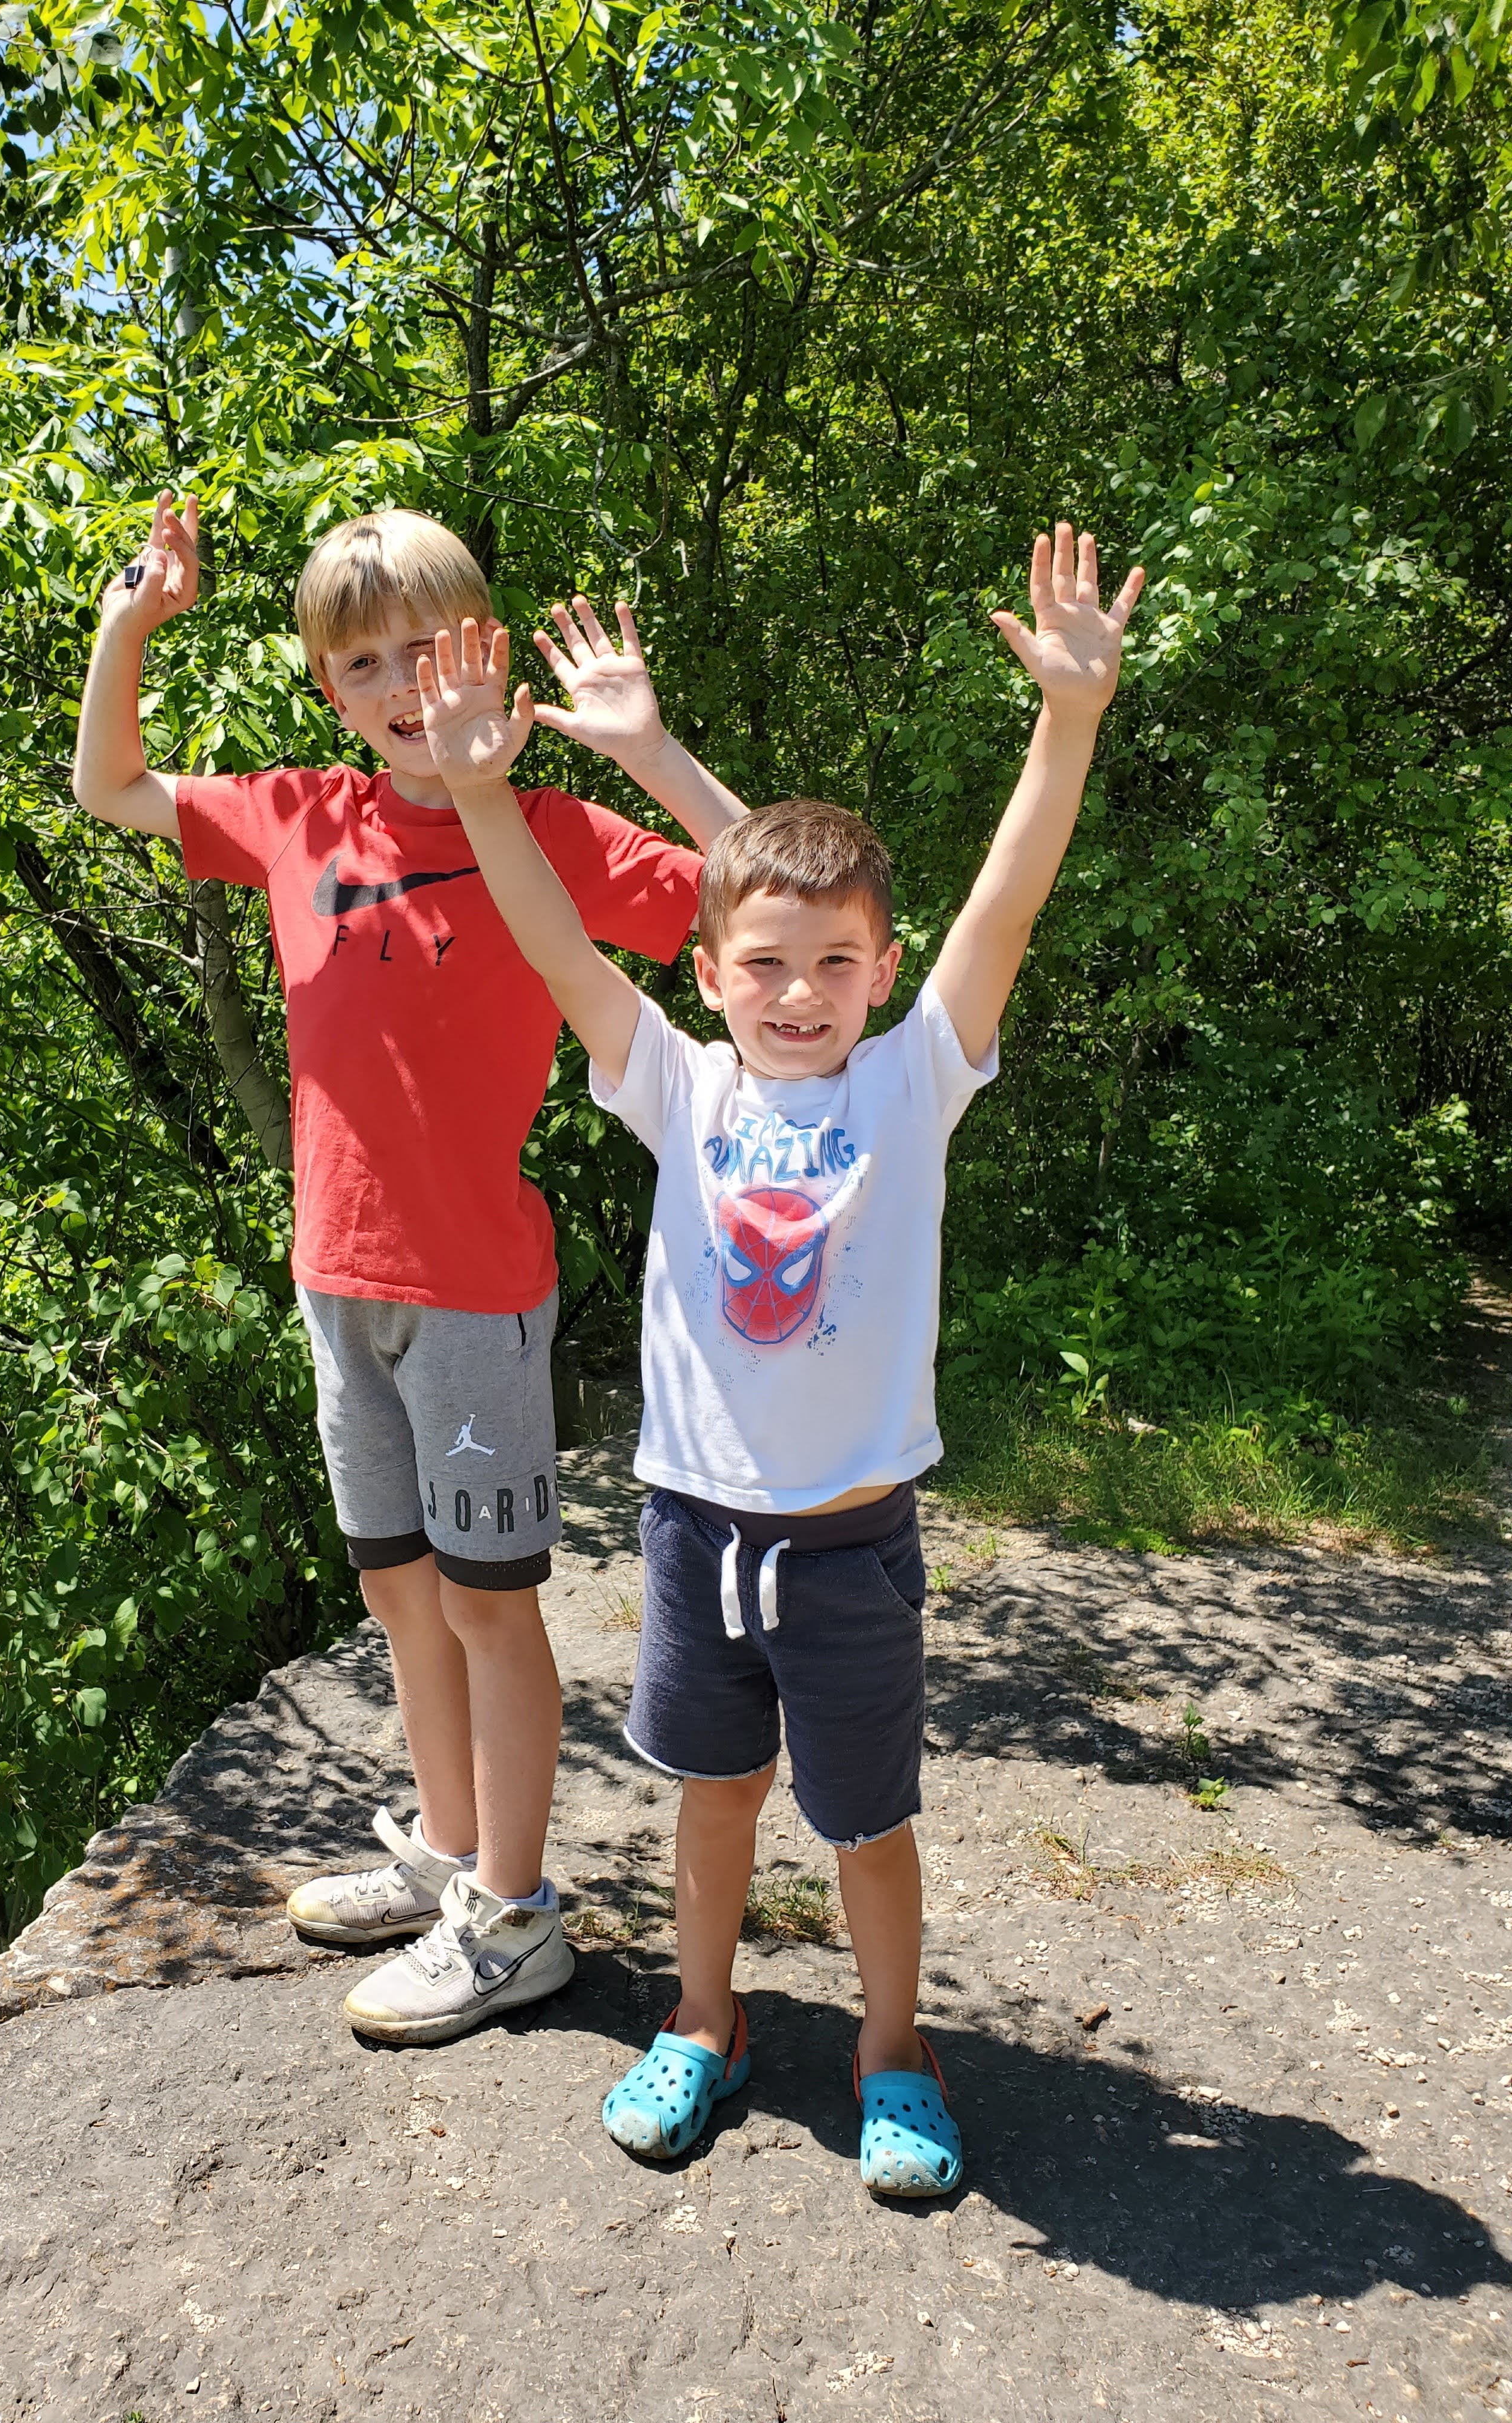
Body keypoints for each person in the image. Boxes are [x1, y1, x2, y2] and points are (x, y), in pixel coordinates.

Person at [413, 522, 1142, 2190]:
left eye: (834, 964)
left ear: (883, 972)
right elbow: (556, 945)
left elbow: (1007, 901)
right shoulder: (677, 1083)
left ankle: (894, 2054)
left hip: (851, 1546)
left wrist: (1069, 720)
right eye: (765, 964)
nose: (799, 991)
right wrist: (477, 795)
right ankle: (706, 2022)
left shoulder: (912, 1079)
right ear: (708, 973)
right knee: (713, 1801)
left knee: (868, 1823)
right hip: (694, 1532)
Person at [71, 494, 745, 2045]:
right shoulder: (303, 816)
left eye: (427, 649)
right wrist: (131, 625)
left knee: (491, 1606)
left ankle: (514, 1919)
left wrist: (646, 747)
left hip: (474, 1298)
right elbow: (109, 786)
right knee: (397, 1589)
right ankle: (449, 1852)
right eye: (363, 661)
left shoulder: (552, 833)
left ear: (487, 656)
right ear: (329, 686)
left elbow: (778, 893)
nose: (398, 684)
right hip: (338, 1276)